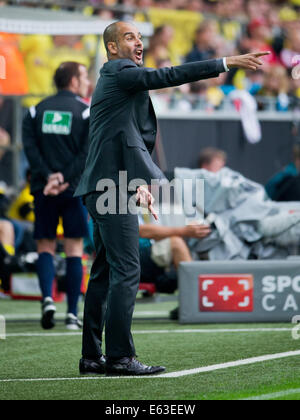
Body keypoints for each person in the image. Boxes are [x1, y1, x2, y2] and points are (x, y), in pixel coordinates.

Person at [74, 20, 269, 377]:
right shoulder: (120, 71)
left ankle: (92, 356)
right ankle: (119, 357)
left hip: (107, 184)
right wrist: (225, 63)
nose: (138, 43)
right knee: (126, 270)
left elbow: (118, 140)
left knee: (103, 273)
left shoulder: (117, 81)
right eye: (129, 37)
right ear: (113, 48)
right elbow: (168, 76)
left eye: (139, 37)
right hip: (108, 188)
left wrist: (135, 183)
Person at [22, 62, 91, 331]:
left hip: (43, 188)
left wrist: (49, 176)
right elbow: (86, 154)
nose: (87, 82)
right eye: (84, 77)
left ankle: (48, 299)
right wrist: (64, 177)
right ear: (73, 80)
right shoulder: (85, 111)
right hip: (73, 188)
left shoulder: (35, 109)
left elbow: (29, 148)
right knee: (74, 248)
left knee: (45, 246)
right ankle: (72, 314)